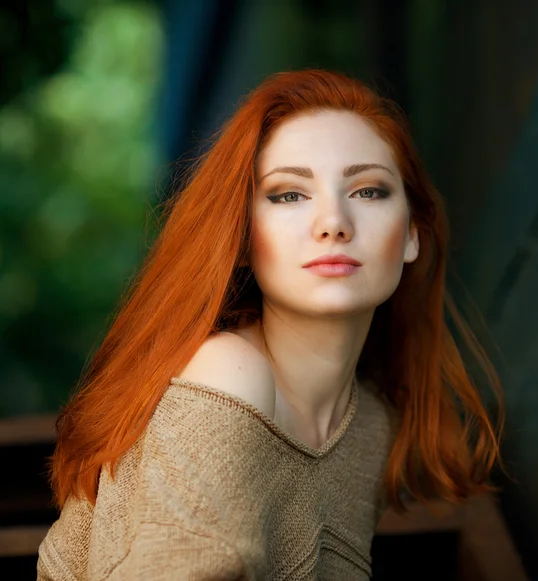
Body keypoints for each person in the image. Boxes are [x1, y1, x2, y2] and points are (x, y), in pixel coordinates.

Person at [37, 69, 504, 580]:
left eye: (369, 191)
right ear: (241, 239)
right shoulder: (227, 375)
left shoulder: (371, 424)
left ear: (412, 235)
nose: (333, 222)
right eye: (288, 194)